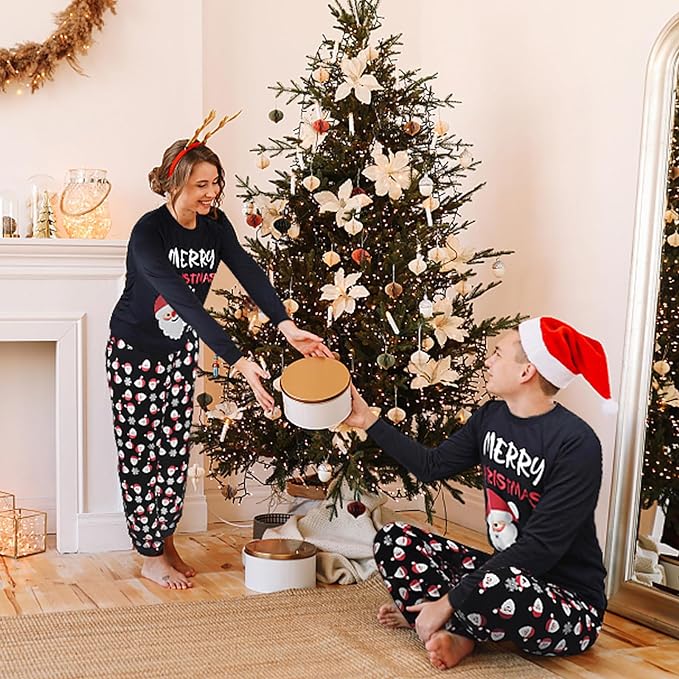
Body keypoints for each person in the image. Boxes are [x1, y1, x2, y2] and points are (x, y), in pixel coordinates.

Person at [106, 111, 331, 590]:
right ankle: (149, 555)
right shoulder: (149, 232)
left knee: (172, 449)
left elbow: (249, 272)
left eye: (214, 183)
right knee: (141, 452)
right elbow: (184, 301)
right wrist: (239, 359)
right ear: (174, 184)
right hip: (134, 350)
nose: (210, 194)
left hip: (179, 350)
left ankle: (163, 543)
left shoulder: (215, 226)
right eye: (200, 186)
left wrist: (286, 325)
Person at [343, 317, 612, 670]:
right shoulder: (491, 417)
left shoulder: (577, 444)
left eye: (498, 353)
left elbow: (539, 550)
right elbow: (432, 466)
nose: (488, 361)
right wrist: (369, 421)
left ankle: (448, 624)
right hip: (499, 573)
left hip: (567, 602)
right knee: (393, 538)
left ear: (526, 371)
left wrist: (448, 601)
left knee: (494, 585)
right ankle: (456, 624)